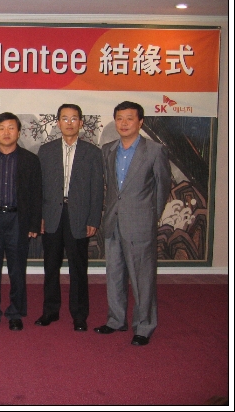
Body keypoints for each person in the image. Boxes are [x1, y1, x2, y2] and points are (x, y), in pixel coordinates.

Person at [94, 101, 171, 346]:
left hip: (140, 223)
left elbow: (162, 187)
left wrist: (149, 216)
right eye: (119, 118)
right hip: (113, 222)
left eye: (129, 118)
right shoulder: (108, 149)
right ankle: (116, 320)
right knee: (114, 275)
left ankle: (144, 326)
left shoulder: (155, 151)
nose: (124, 123)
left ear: (140, 122)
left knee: (142, 279)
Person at [36, 104, 104, 332]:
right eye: (64, 118)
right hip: (52, 215)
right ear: (58, 122)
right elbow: (39, 187)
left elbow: (97, 189)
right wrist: (39, 216)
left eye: (74, 118)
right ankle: (50, 311)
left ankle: (79, 315)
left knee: (78, 268)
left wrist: (93, 219)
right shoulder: (46, 151)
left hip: (79, 216)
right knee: (50, 267)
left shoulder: (92, 152)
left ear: (81, 123)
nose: (69, 123)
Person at [0, 112, 42, 331]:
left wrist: (34, 224)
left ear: (18, 132)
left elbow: (36, 194)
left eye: (11, 128)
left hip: (18, 220)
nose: (6, 132)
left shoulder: (30, 160)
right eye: (1, 128)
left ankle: (15, 313)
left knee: (17, 270)